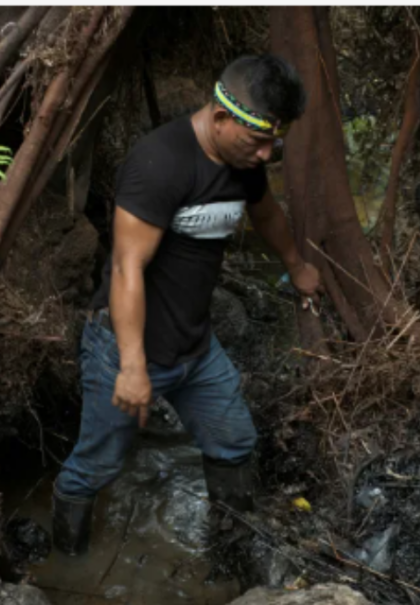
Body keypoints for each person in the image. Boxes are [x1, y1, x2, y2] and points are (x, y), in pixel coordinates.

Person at [52, 54, 321, 555]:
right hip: (125, 350)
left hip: (195, 348)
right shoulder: (160, 164)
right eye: (257, 141)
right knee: (97, 466)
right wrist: (133, 369)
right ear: (221, 118)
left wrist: (296, 262)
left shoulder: (243, 162)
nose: (265, 155)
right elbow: (127, 268)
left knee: (235, 441)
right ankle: (66, 560)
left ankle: (231, 556)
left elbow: (266, 214)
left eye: (273, 144)